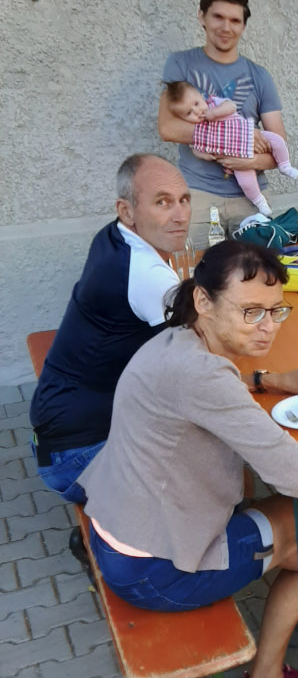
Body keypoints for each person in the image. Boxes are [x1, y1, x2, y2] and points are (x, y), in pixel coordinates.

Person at [78, 240, 298, 678]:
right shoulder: (202, 377)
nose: (268, 326)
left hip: (123, 528)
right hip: (156, 570)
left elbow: (211, 389)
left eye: (275, 311)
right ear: (203, 300)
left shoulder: (175, 341)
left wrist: (266, 380)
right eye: (251, 312)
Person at [29, 154, 186, 503]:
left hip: (56, 431)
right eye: (162, 202)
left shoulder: (113, 237)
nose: (181, 215)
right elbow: (196, 372)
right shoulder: (147, 274)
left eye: (184, 200)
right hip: (78, 456)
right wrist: (263, 378)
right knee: (213, 459)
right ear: (126, 210)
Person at [158, 0, 298, 245]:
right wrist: (241, 136)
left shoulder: (260, 76)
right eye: (218, 17)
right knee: (195, 270)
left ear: (243, 26)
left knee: (253, 271)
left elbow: (278, 146)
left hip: (251, 200)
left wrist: (249, 162)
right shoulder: (181, 64)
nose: (226, 27)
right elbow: (168, 128)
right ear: (202, 17)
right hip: (197, 195)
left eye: (234, 20)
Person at [163, 80, 298, 218]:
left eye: (197, 103)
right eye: (189, 113)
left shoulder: (213, 103)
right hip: (237, 158)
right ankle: (259, 202)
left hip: (249, 135)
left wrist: (214, 113)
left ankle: (285, 165)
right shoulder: (196, 129)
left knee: (277, 141)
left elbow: (231, 106)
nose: (197, 111)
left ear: (201, 96)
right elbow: (195, 149)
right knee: (247, 183)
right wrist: (206, 156)